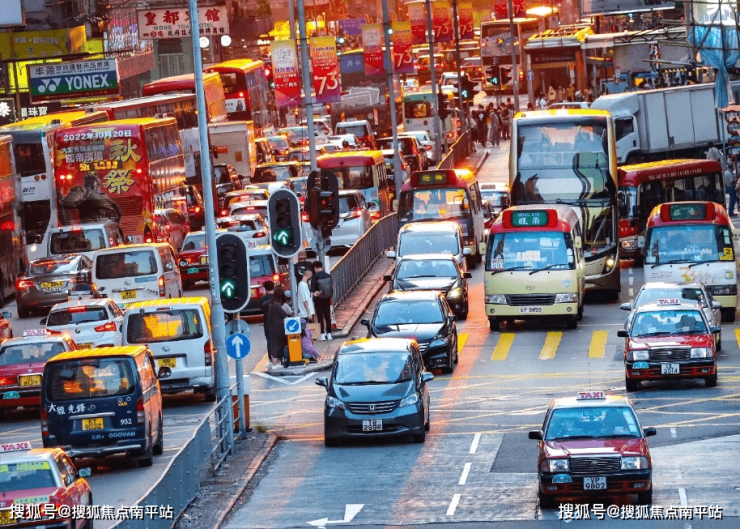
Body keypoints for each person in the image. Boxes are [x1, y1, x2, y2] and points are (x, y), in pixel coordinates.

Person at [266, 288, 289, 369]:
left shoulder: (271, 304)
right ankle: (275, 364)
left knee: (274, 344)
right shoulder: (276, 305)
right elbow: (284, 314)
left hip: (272, 327)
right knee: (278, 345)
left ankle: (275, 362)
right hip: (278, 328)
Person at [311, 260, 333, 340]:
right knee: (327, 316)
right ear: (322, 267)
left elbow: (313, 289)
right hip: (327, 298)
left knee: (320, 316)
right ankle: (329, 334)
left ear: (315, 268)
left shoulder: (315, 277)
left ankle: (322, 334)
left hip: (318, 299)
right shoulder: (328, 275)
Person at [260, 280, 275, 355]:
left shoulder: (263, 298)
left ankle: (271, 357)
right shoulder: (277, 297)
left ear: (265, 288)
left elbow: (260, 307)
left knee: (269, 340)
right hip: (277, 321)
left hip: (267, 321)